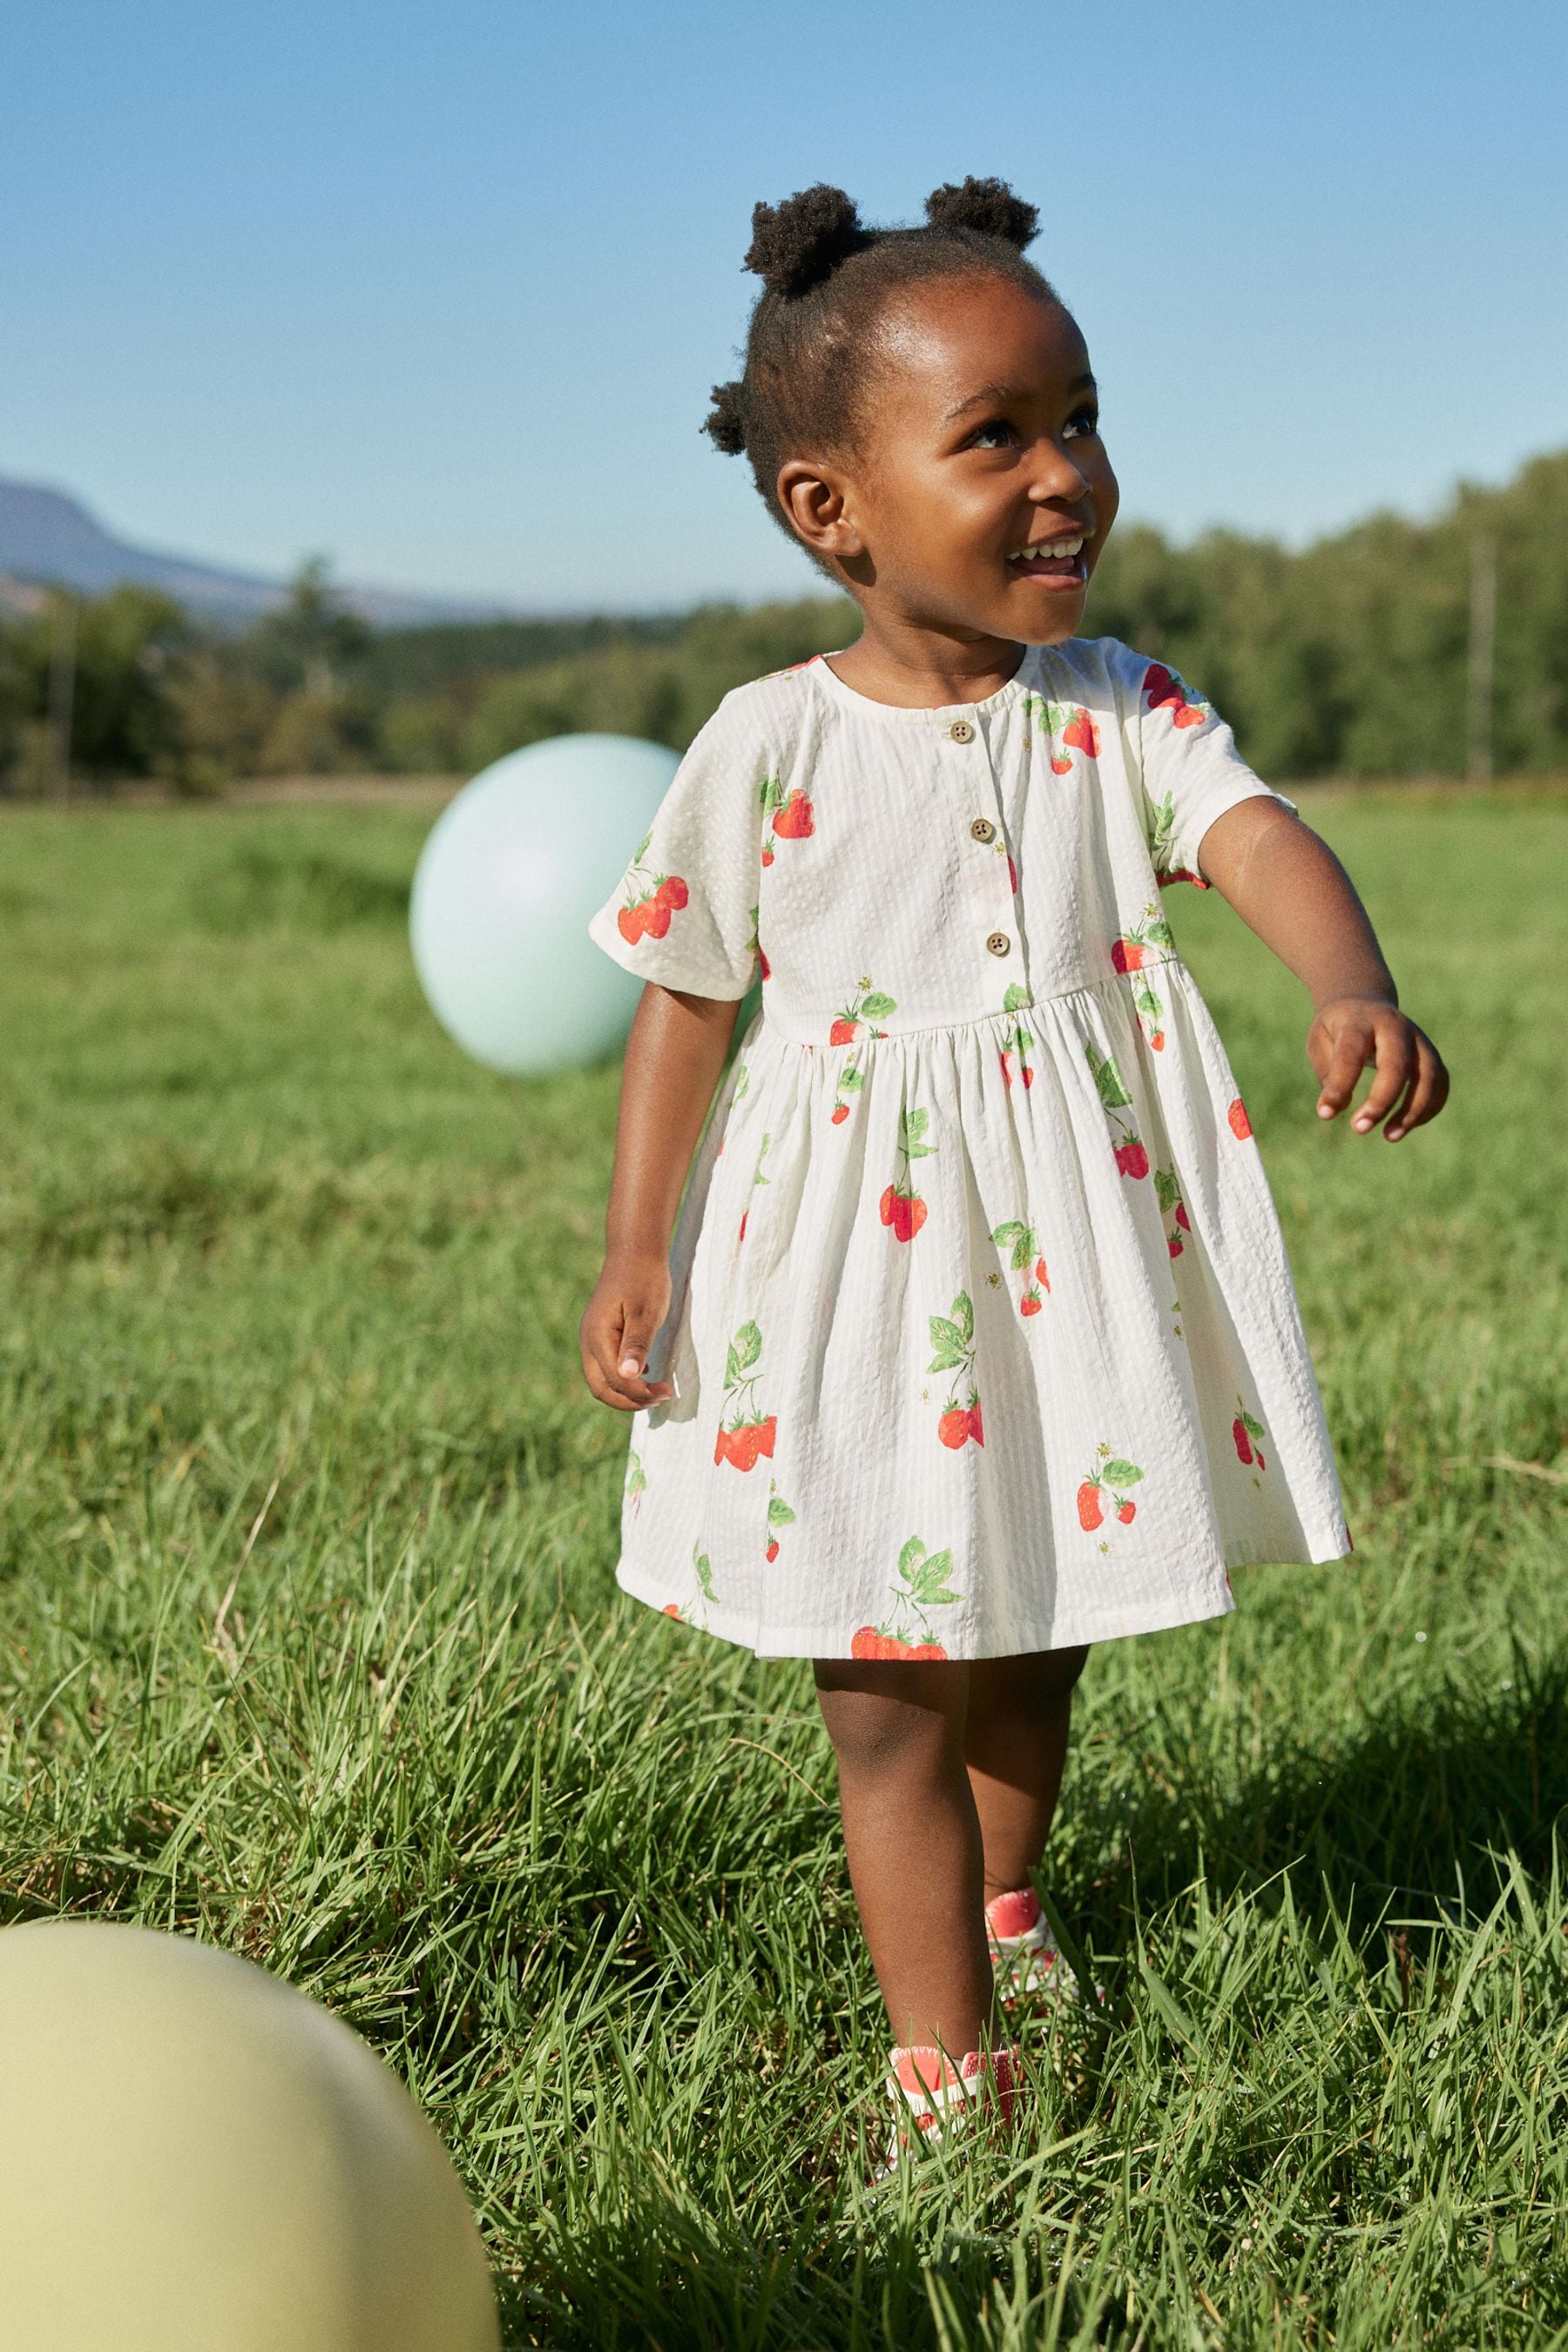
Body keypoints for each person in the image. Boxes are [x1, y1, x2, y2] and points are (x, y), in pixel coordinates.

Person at [578, 178, 1448, 2163]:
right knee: (888, 1673)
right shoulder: (766, 745)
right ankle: (945, 2072)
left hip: (1058, 1264)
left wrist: (1351, 982)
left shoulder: (1115, 706)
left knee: (1034, 1619)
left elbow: (1256, 834)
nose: (1067, 475)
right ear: (833, 509)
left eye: (1081, 416)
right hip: (843, 1291)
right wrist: (639, 1250)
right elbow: (683, 999)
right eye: (997, 437)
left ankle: (1007, 1899)